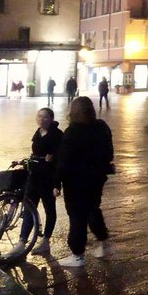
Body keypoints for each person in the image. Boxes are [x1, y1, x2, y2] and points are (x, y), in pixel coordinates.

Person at [54, 96, 114, 268]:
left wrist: (57, 182)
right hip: (96, 178)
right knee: (93, 208)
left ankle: (77, 254)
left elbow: (64, 161)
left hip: (75, 181)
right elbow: (109, 153)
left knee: (77, 215)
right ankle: (103, 241)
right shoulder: (102, 127)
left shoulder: (72, 132)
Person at [4, 108, 63, 259]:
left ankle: (46, 240)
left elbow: (61, 160)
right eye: (39, 116)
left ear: (51, 119)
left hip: (48, 179)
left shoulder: (57, 135)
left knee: (50, 209)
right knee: (29, 208)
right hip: (34, 177)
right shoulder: (38, 133)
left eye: (45, 117)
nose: (41, 119)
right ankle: (22, 242)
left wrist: (57, 184)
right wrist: (24, 162)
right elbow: (35, 154)